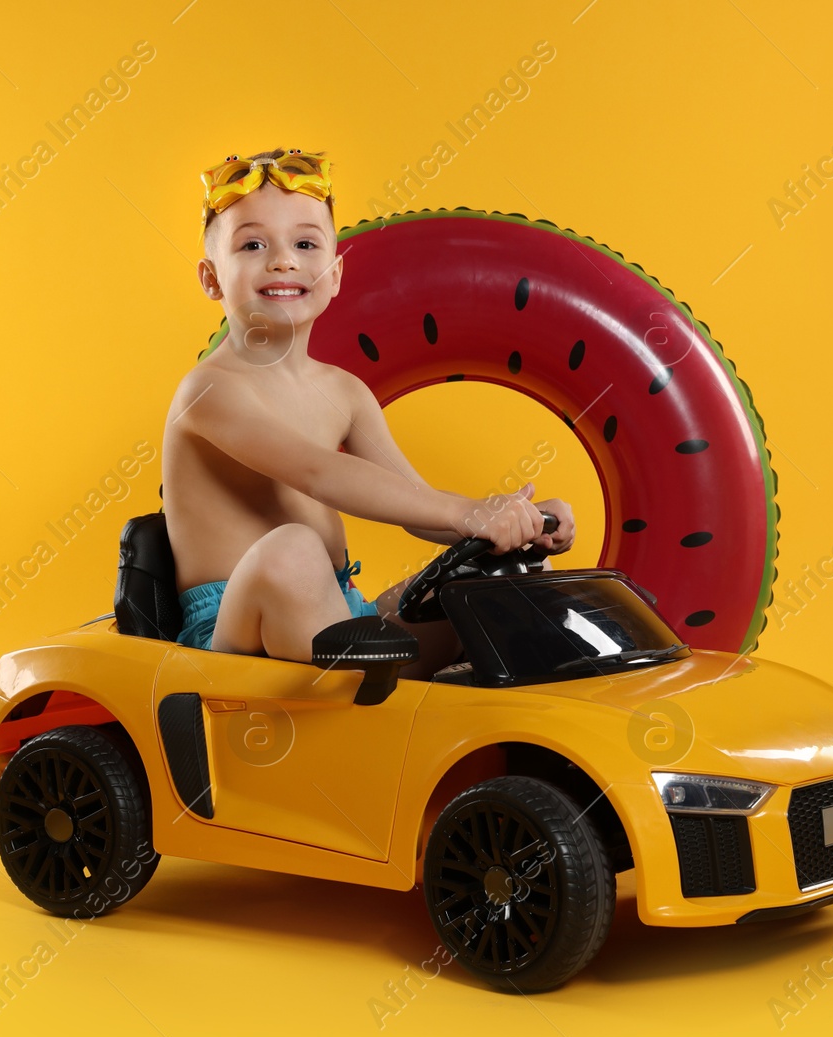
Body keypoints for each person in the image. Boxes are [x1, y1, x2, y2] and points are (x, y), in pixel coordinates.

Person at [162, 148, 576, 678]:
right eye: (252, 244)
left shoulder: (346, 392)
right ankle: (366, 690)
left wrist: (508, 522)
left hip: (342, 616)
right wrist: (463, 513)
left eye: (305, 243)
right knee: (292, 548)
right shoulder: (210, 390)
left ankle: (396, 689)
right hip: (236, 626)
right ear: (211, 279)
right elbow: (319, 473)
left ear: (334, 275)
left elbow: (418, 505)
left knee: (481, 574)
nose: (283, 260)